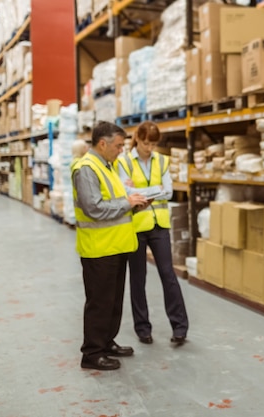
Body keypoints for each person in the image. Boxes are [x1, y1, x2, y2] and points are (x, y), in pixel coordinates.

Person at [72, 121, 150, 371]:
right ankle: (92, 353)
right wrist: (127, 203)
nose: (121, 151)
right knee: (100, 302)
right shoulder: (86, 168)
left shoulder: (108, 166)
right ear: (102, 143)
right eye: (118, 146)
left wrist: (134, 205)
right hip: (98, 249)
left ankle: (106, 342)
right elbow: (93, 208)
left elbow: (115, 203)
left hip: (115, 245)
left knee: (114, 300)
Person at [116, 121, 189, 346]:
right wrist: (154, 190)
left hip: (160, 225)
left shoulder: (162, 161)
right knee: (138, 279)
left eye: (154, 144)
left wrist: (142, 192)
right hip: (136, 226)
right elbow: (125, 192)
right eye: (146, 143)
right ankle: (143, 328)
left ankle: (180, 328)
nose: (149, 148)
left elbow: (168, 192)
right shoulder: (125, 161)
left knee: (168, 274)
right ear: (137, 139)